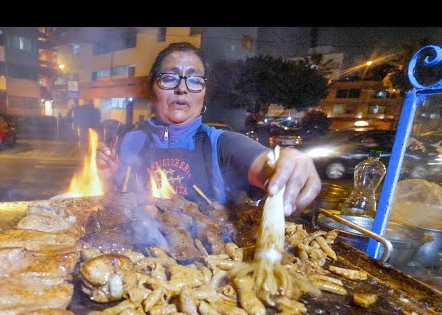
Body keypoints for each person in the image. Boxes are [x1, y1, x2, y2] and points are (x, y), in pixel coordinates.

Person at [96, 42, 321, 216]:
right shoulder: (129, 141)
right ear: (152, 89)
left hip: (205, 268)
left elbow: (263, 164)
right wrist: (107, 180)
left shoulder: (222, 143)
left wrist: (286, 165)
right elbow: (114, 207)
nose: (182, 88)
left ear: (204, 95)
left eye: (194, 80)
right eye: (169, 78)